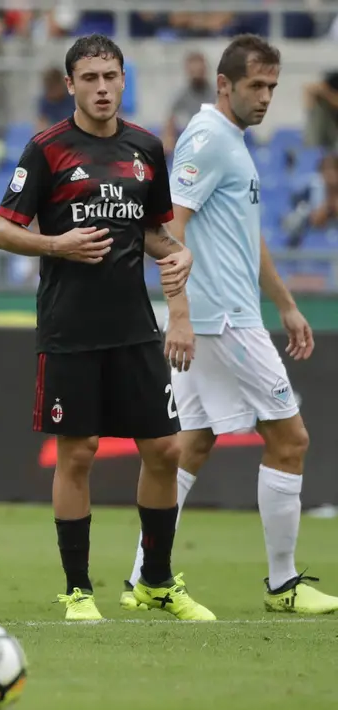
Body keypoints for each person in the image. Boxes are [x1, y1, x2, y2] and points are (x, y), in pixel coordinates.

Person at [0, 34, 215, 622]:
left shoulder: (146, 147)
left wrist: (178, 256)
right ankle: (78, 590)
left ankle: (157, 582)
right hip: (69, 327)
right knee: (79, 453)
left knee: (165, 448)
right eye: (88, 78)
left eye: (110, 77)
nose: (101, 88)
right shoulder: (45, 150)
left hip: (135, 326)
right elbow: (2, 229)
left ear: (123, 80)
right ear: (69, 85)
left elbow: (155, 233)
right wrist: (55, 243)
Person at [120, 35, 338, 615]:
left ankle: (144, 576)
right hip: (219, 320)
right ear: (224, 85)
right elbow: (168, 227)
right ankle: (283, 586)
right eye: (255, 86)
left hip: (226, 315)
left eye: (272, 86)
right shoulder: (208, 139)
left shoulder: (235, 144)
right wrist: (182, 315)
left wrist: (286, 303)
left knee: (191, 444)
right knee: (290, 440)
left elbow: (247, 235)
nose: (266, 97)